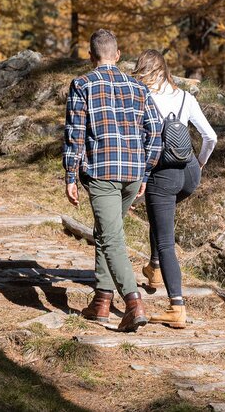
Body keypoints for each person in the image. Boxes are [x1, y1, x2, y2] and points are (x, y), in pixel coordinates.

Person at [63, 29, 163, 332]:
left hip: (103, 172)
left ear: (91, 57)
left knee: (111, 238)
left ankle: (133, 304)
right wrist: (146, 170)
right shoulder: (138, 87)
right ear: (117, 55)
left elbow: (74, 134)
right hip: (132, 173)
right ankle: (102, 301)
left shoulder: (82, 84)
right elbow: (155, 130)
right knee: (107, 232)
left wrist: (70, 174)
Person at [132, 49, 217, 329]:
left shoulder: (143, 98)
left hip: (162, 175)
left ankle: (176, 306)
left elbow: (136, 143)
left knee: (167, 241)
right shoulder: (186, 97)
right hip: (190, 173)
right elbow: (210, 137)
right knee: (161, 219)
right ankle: (154, 268)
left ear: (146, 72)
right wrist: (200, 163)